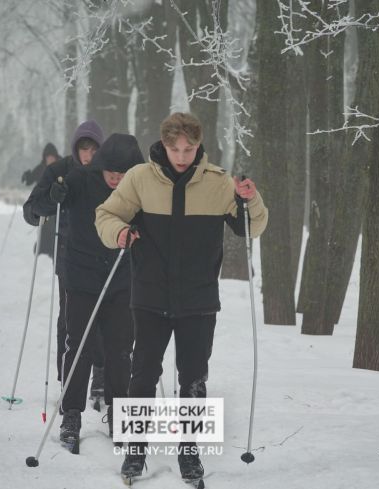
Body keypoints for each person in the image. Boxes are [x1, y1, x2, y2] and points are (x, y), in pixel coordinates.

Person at [95, 113, 268, 484]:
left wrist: (250, 200)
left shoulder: (219, 183)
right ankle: (135, 452)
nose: (182, 155)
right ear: (164, 145)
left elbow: (251, 227)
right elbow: (106, 214)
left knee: (193, 379)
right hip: (150, 294)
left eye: (189, 149)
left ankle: (189, 453)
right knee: (141, 375)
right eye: (175, 148)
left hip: (198, 299)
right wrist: (120, 233)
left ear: (198, 146)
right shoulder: (140, 178)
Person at [26, 133, 145, 452]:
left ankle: (120, 416)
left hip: (123, 279)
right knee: (78, 346)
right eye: (112, 174)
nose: (116, 180)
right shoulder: (77, 178)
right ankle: (72, 414)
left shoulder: (141, 187)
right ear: (102, 166)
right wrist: (53, 196)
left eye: (123, 175)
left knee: (121, 350)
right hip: (80, 277)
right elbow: (33, 210)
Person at [23, 121, 106, 400]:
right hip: (69, 255)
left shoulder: (109, 173)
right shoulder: (59, 171)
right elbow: (31, 210)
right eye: (84, 148)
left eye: (94, 148)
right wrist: (51, 198)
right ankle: (67, 378)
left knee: (103, 318)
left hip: (105, 255)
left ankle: (100, 376)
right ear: (75, 148)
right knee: (70, 319)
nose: (89, 155)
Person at [22, 143, 61, 257]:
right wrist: (27, 176)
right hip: (44, 203)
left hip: (59, 203)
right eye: (48, 157)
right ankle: (43, 247)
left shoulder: (62, 165)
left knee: (56, 226)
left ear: (56, 157)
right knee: (44, 225)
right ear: (44, 158)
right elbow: (31, 178)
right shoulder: (41, 168)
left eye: (52, 157)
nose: (50, 160)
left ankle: (55, 248)